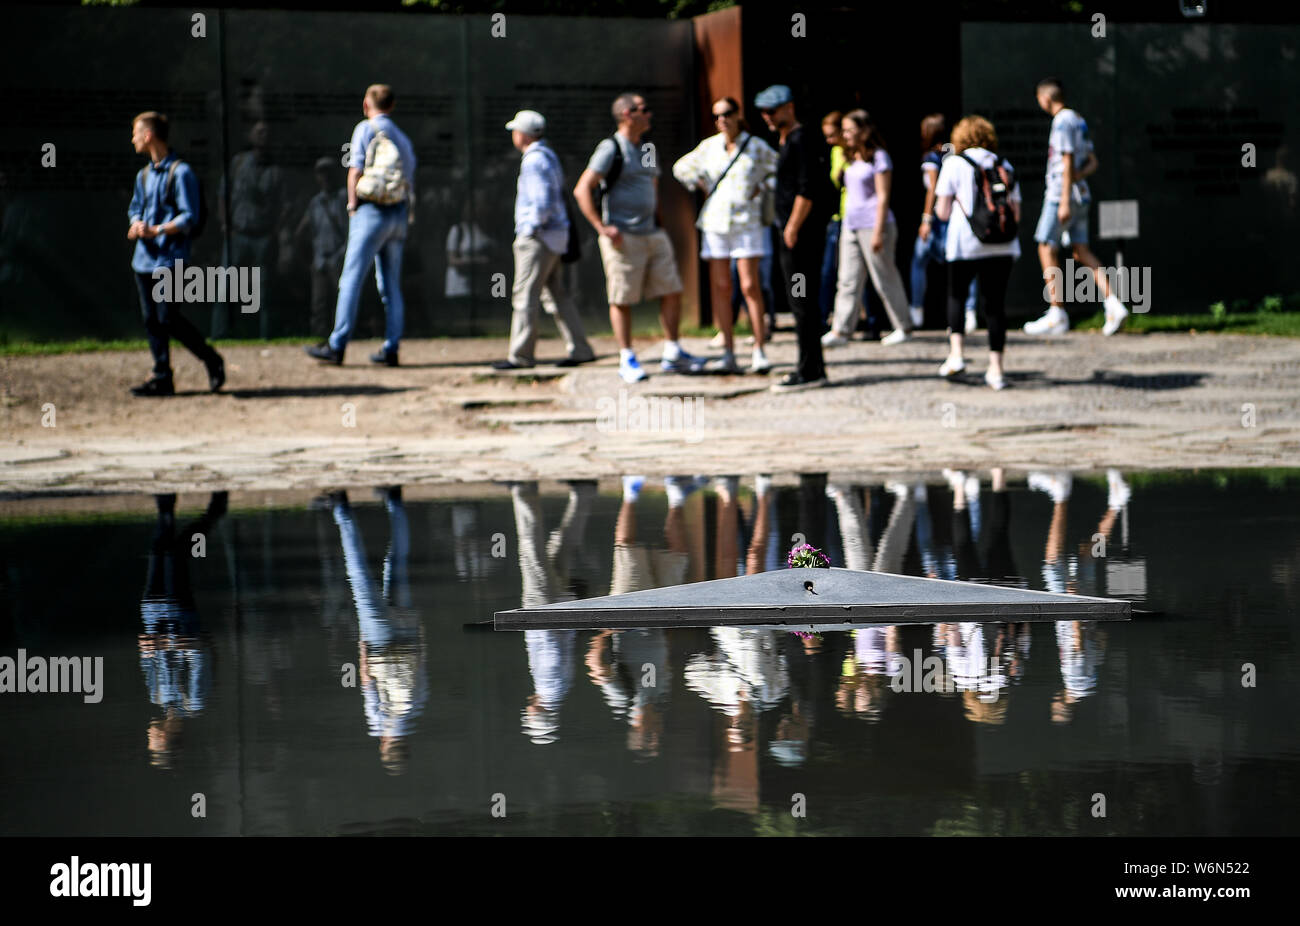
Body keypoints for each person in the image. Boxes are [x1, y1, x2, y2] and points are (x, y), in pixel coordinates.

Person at [574, 92, 702, 383]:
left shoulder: (647, 148)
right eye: (643, 109)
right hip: (622, 236)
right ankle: (627, 358)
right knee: (622, 298)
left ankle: (672, 351)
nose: (649, 113)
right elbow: (583, 189)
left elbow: (652, 186)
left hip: (653, 233)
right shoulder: (610, 148)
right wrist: (602, 227)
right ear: (627, 115)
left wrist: (659, 222)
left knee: (671, 289)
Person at [306, 84, 416, 367]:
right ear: (391, 106)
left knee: (351, 279)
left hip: (371, 213)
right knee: (391, 285)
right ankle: (391, 349)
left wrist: (353, 206)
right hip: (398, 215)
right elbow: (409, 180)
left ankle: (337, 344)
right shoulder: (403, 138)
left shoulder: (365, 129)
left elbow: (355, 169)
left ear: (367, 105)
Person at [672, 97, 777, 374]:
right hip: (716, 222)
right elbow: (680, 168)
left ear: (738, 114)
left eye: (727, 114)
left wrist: (763, 187)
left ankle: (759, 349)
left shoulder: (755, 146)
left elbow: (777, 170)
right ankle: (728, 351)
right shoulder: (709, 147)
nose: (722, 120)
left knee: (749, 285)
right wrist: (699, 183)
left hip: (746, 222)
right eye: (717, 115)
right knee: (721, 287)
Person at [126, 111, 225, 397]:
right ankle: (162, 376)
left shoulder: (181, 173)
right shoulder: (143, 175)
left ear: (149, 135)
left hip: (170, 259)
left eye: (135, 133)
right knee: (151, 320)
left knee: (168, 318)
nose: (132, 139)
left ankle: (211, 359)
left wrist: (156, 230)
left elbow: (189, 217)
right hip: (143, 261)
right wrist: (136, 224)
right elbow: (135, 208)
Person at [1023, 78, 1129, 337]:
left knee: (1046, 247)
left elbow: (1067, 158)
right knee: (1081, 251)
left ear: (1045, 98)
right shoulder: (1078, 120)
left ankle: (1056, 312)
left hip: (1062, 194)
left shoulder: (1061, 121)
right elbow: (1092, 163)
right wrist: (1076, 183)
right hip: (1081, 194)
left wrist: (1063, 200)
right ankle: (1113, 304)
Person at [493, 110, 595, 370]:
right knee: (557, 294)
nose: (514, 135)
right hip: (554, 237)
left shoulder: (534, 160)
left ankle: (521, 355)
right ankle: (581, 349)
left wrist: (531, 229)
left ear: (524, 134)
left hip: (539, 238)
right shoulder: (548, 156)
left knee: (524, 296)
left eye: (516, 130)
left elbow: (542, 201)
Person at [932, 115, 1022, 390]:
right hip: (1002, 245)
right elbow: (1016, 213)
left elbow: (942, 211)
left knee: (957, 295)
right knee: (994, 305)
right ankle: (996, 369)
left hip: (965, 243)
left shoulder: (954, 163)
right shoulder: (1003, 164)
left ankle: (957, 354)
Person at [756, 85, 835, 392]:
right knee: (800, 300)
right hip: (793, 232)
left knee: (802, 301)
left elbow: (807, 189)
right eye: (763, 112)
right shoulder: (788, 140)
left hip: (800, 235)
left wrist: (791, 227)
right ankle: (812, 365)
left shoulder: (802, 140)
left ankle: (809, 370)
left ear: (789, 107)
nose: (767, 117)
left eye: (771, 111)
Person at [823, 110, 913, 348]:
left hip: (874, 224)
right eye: (844, 130)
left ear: (865, 131)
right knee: (847, 279)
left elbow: (883, 196)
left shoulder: (879, 157)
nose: (846, 134)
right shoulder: (848, 157)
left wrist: (877, 231)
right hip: (850, 223)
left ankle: (902, 325)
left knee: (884, 276)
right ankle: (841, 330)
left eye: (850, 130)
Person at [911, 114, 978, 334]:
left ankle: (917, 308)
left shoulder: (932, 157)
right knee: (962, 264)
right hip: (958, 216)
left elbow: (933, 188)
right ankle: (969, 311)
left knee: (920, 260)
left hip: (940, 217)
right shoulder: (954, 153)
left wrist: (926, 219)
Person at [294, 157, 349, 341]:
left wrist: (342, 254)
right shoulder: (315, 203)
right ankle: (320, 338)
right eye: (321, 173)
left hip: (339, 257)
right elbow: (302, 231)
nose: (324, 177)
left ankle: (341, 337)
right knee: (319, 304)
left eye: (328, 172)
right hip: (319, 260)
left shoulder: (344, 197)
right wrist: (309, 259)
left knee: (341, 301)